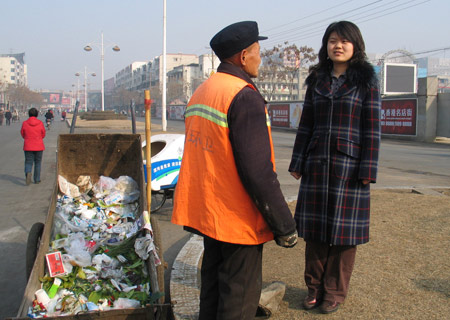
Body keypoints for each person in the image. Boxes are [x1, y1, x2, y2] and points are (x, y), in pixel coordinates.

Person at [171, 21, 298, 320]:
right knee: (238, 298)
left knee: (213, 289)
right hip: (237, 218)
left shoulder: (203, 91)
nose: (260, 58)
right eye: (258, 51)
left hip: (210, 213)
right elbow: (258, 172)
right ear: (243, 56)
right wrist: (284, 225)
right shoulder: (243, 96)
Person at [289, 21, 381, 314]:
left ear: (355, 46)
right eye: (332, 40)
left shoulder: (366, 81)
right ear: (325, 46)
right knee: (315, 233)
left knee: (344, 236)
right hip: (317, 165)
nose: (337, 46)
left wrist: (368, 168)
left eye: (343, 41)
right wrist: (298, 160)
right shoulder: (316, 79)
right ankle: (314, 288)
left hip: (350, 169)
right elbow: (306, 124)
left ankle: (334, 292)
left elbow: (372, 127)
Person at [21, 107, 46, 185]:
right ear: (37, 114)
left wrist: (27, 138)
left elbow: (22, 133)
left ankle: (28, 172)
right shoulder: (40, 123)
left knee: (28, 162)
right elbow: (43, 133)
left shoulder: (25, 123)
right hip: (39, 146)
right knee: (38, 163)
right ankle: (37, 179)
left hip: (28, 145)